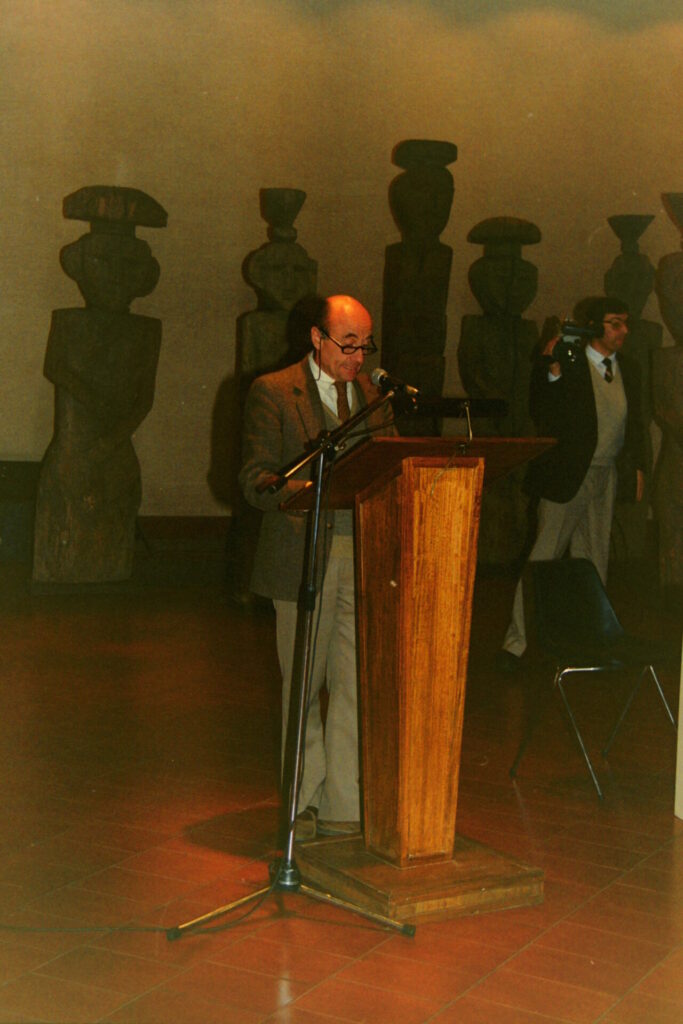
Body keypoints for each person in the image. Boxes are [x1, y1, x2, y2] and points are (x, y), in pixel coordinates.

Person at [239, 294, 395, 839]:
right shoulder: (275, 392)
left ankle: (343, 804)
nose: (357, 357)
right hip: (302, 555)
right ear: (315, 338)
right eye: (346, 344)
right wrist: (301, 489)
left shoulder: (375, 396)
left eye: (364, 345)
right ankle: (302, 801)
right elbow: (254, 478)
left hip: (363, 554)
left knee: (355, 680)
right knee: (303, 681)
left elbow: (393, 463)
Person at [498, 295, 646, 670]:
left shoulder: (627, 367)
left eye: (625, 323)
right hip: (569, 475)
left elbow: (637, 423)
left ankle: (592, 639)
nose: (623, 331)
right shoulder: (572, 362)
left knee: (594, 560)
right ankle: (515, 645)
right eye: (615, 324)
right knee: (543, 557)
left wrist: (638, 469)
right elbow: (543, 407)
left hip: (604, 474)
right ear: (595, 327)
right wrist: (551, 367)